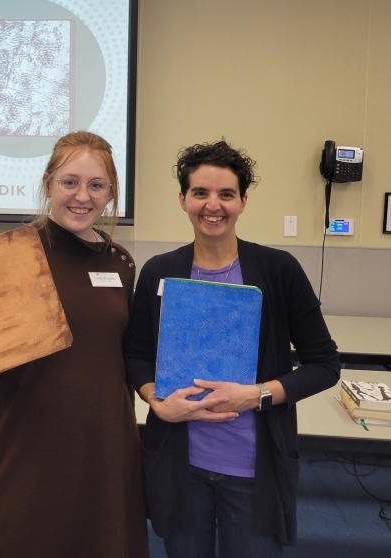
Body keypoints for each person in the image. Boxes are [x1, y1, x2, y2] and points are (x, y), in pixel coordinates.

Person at [124, 140, 340, 558]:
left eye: (226, 194)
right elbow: (135, 355)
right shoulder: (159, 272)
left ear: (243, 201)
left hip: (253, 471)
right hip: (179, 466)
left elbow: (325, 364)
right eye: (200, 193)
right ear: (182, 199)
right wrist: (155, 400)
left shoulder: (278, 270)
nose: (213, 205)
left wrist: (256, 394)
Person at [0, 131, 148, 558]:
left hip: (103, 441)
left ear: (111, 193)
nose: (82, 196)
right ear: (48, 184)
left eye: (97, 185)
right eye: (69, 182)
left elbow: (127, 353)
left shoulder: (121, 264)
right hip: (28, 438)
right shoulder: (12, 257)